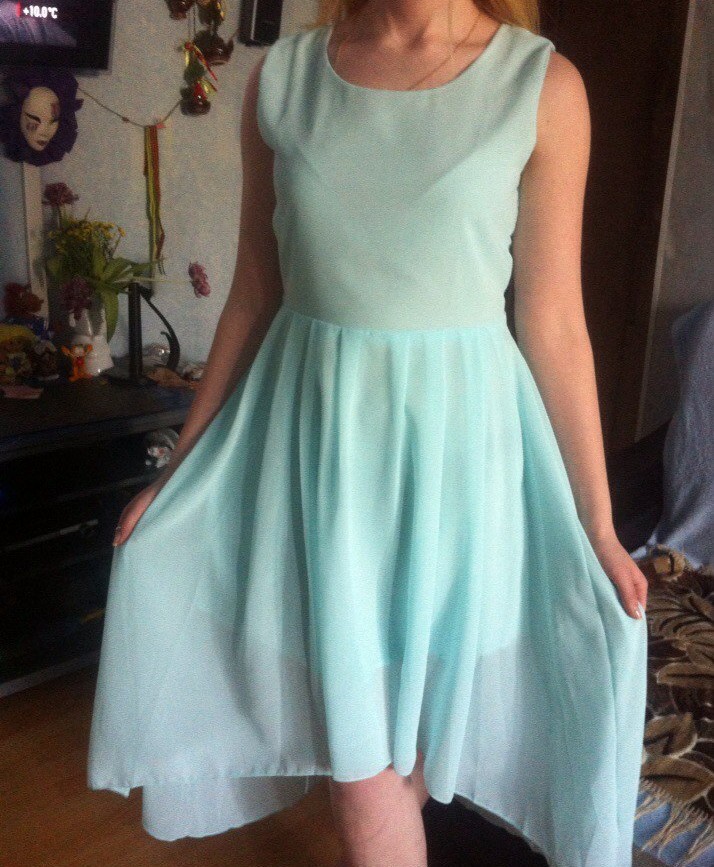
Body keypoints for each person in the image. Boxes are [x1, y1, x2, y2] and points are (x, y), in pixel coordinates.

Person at [87, 1, 650, 865]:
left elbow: (554, 324)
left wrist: (598, 525)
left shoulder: (542, 87)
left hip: (462, 470)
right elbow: (254, 292)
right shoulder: (281, 80)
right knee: (362, 777)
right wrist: (180, 466)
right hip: (317, 463)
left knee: (410, 753)